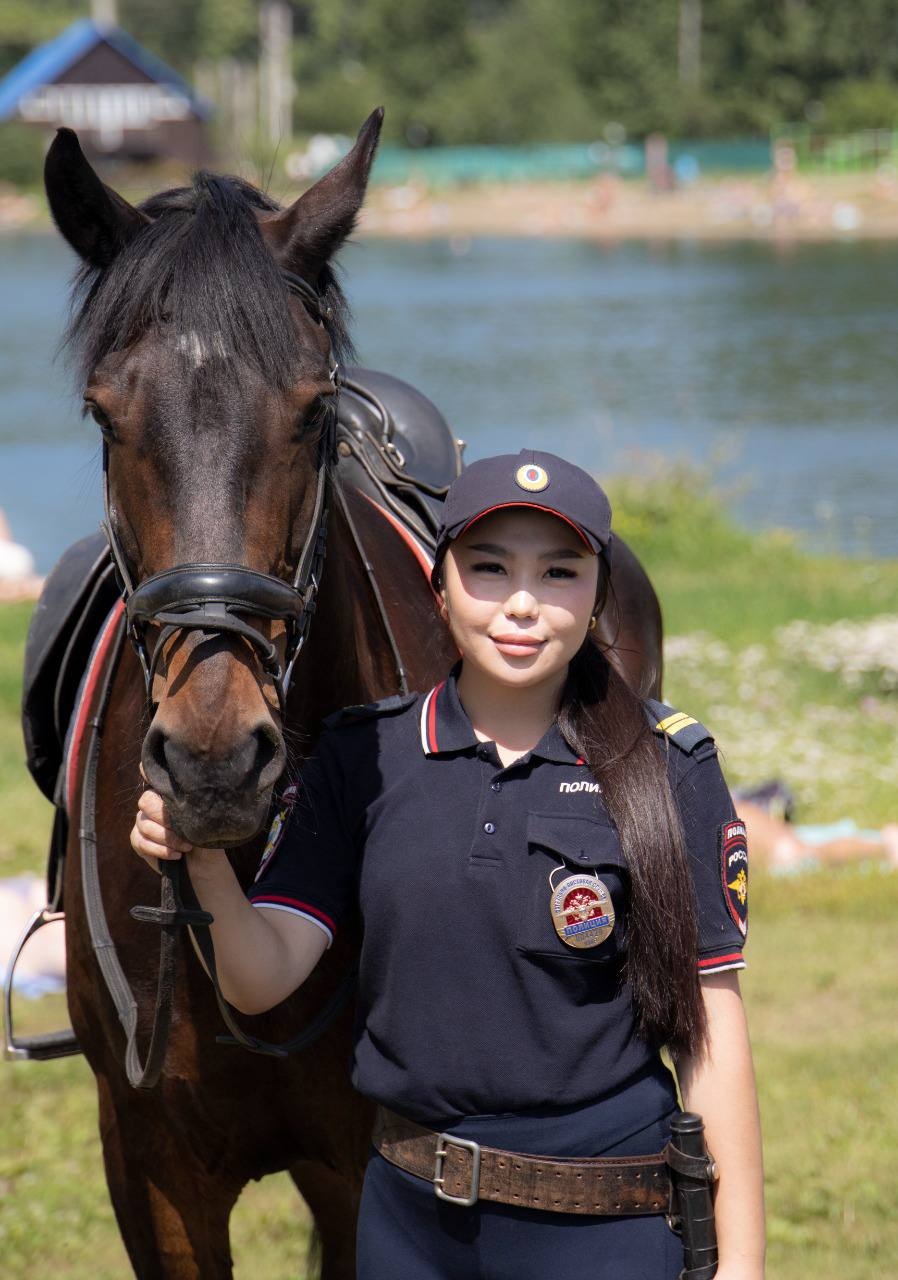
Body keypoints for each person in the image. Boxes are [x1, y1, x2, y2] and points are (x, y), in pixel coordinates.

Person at [132, 450, 765, 1280]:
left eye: (560, 573)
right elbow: (261, 978)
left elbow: (711, 1035)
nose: (524, 605)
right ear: (442, 585)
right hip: (410, 1227)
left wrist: (744, 1262)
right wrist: (207, 861)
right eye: (490, 569)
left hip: (610, 1220)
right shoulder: (364, 756)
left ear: (598, 596)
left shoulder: (667, 765)